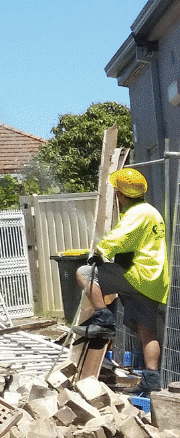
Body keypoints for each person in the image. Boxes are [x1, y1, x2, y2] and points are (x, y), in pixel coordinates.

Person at [75, 168, 168, 395]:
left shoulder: (137, 213)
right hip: (153, 281)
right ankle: (151, 381)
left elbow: (122, 236)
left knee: (85, 273)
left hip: (137, 274)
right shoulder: (151, 211)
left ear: (122, 194)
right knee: (147, 330)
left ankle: (104, 319)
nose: (116, 194)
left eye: (117, 191)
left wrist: (100, 250)